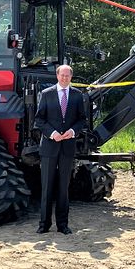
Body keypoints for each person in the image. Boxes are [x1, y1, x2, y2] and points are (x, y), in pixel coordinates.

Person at [34, 64, 86, 235]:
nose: (64, 78)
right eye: (62, 75)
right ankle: (44, 224)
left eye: (67, 75)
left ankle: (63, 225)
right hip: (50, 146)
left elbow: (82, 120)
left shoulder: (78, 96)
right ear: (57, 76)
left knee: (64, 188)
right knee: (46, 187)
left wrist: (72, 132)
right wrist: (52, 133)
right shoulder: (47, 94)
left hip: (67, 147)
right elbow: (39, 120)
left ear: (71, 77)